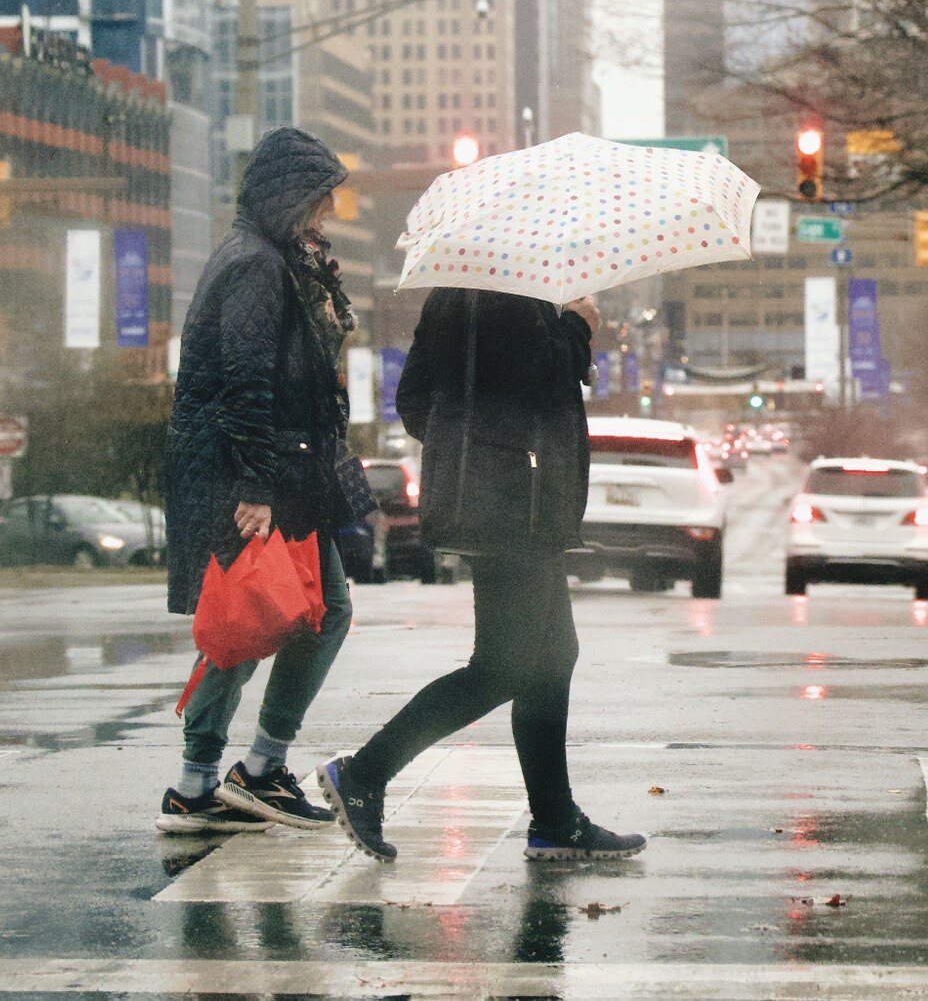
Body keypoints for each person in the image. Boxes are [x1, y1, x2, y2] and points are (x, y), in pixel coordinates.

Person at [319, 288, 646, 862]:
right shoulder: (511, 294)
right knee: (506, 666)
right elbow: (533, 385)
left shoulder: (457, 292)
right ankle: (365, 773)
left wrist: (465, 443)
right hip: (513, 503)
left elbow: (416, 399)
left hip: (494, 500)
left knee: (551, 655)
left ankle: (554, 819)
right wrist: (575, 328)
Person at [158, 127, 357, 835]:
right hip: (246, 471)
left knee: (265, 613)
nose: (327, 213)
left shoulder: (271, 261)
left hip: (267, 466)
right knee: (286, 611)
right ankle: (255, 770)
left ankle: (200, 782)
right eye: (318, 198)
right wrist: (254, 488)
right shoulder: (255, 266)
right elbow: (244, 377)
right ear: (286, 198)